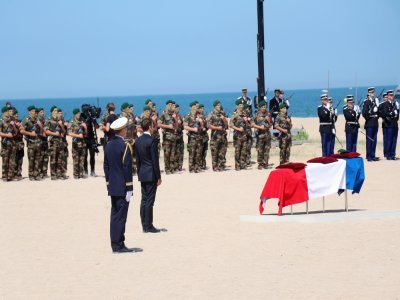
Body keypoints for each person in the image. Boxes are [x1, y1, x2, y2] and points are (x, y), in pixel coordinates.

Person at [104, 117, 142, 253]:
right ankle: (119, 244)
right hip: (122, 186)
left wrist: (108, 184)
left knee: (114, 216)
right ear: (122, 130)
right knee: (120, 216)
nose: (126, 131)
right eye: (125, 129)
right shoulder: (124, 146)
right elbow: (127, 168)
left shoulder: (108, 145)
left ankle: (115, 243)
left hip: (113, 185)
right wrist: (130, 188)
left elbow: (106, 166)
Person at [135, 118, 163, 233]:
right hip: (151, 173)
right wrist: (158, 176)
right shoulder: (152, 140)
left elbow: (138, 160)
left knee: (144, 200)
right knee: (150, 201)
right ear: (150, 127)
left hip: (142, 172)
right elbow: (154, 160)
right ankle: (148, 226)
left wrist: (139, 173)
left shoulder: (138, 140)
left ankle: (144, 224)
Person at [20, 105, 42, 180]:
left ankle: (37, 174)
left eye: (35, 111)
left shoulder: (37, 120)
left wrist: (40, 125)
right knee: (31, 160)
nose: (34, 112)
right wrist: (30, 134)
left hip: (38, 143)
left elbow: (42, 132)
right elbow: (22, 131)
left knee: (37, 160)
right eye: (32, 111)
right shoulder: (26, 120)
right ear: (29, 112)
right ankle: (31, 175)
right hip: (31, 143)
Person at [207, 100, 228, 171]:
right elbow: (208, 125)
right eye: (218, 105)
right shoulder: (211, 114)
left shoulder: (222, 114)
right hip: (215, 137)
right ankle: (215, 166)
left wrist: (224, 119)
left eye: (220, 105)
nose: (219, 106)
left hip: (222, 136)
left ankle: (221, 165)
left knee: (222, 151)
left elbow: (226, 125)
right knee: (214, 152)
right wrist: (217, 128)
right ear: (215, 106)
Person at [158, 100, 178, 174]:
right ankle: (167, 169)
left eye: (172, 105)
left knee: (173, 153)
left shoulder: (174, 114)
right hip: (167, 137)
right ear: (166, 105)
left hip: (173, 136)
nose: (171, 106)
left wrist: (175, 118)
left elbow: (177, 126)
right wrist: (168, 126)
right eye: (169, 104)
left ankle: (172, 168)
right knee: (167, 154)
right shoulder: (163, 114)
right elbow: (158, 124)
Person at [252, 100, 272, 169]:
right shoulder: (256, 114)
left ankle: (265, 163)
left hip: (267, 134)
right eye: (262, 107)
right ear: (260, 107)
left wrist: (269, 120)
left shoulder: (268, 114)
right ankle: (260, 163)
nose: (264, 108)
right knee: (260, 150)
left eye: (265, 106)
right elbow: (252, 124)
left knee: (267, 150)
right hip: (260, 134)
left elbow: (271, 125)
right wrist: (259, 127)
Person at [68, 108, 88, 179]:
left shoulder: (82, 122)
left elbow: (85, 135)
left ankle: (81, 174)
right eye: (77, 114)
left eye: (79, 113)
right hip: (76, 144)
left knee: (82, 159)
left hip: (82, 143)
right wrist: (77, 135)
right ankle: (76, 175)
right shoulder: (72, 122)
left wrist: (85, 128)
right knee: (76, 160)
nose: (79, 115)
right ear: (75, 114)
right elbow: (69, 133)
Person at [81, 104, 100, 177]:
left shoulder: (91, 117)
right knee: (85, 155)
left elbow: (97, 127)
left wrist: (94, 119)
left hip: (91, 138)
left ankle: (92, 171)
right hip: (84, 138)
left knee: (92, 155)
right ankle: (85, 171)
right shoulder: (81, 116)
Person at [362, 87, 380, 162]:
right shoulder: (366, 102)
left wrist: (378, 110)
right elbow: (364, 113)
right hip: (369, 123)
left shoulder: (375, 101)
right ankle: (369, 156)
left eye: (373, 92)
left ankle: (373, 155)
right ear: (369, 93)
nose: (372, 93)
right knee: (369, 140)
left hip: (375, 123)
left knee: (374, 140)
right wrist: (371, 112)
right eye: (371, 92)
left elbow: (378, 113)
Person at [229, 99, 248, 170]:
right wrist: (238, 129)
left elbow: (248, 125)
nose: (241, 106)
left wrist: (246, 121)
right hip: (237, 136)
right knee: (237, 151)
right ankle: (237, 165)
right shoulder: (235, 115)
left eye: (242, 105)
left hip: (244, 135)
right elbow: (230, 125)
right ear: (237, 106)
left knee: (244, 151)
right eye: (240, 105)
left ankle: (242, 164)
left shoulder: (244, 114)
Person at [184, 102, 203, 173]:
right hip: (192, 137)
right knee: (192, 153)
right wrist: (193, 129)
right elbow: (185, 126)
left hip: (199, 137)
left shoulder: (198, 116)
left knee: (198, 153)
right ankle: (191, 168)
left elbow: (202, 127)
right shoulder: (188, 116)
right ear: (190, 108)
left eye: (196, 107)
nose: (195, 108)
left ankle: (197, 167)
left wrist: (201, 122)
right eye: (193, 107)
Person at [380, 90, 399, 160]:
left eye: (392, 95)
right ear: (387, 96)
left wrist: (395, 115)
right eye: (390, 95)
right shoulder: (385, 104)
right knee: (389, 140)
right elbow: (385, 114)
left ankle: (392, 154)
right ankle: (388, 155)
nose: (392, 96)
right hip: (389, 125)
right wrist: (391, 115)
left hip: (395, 124)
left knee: (394, 140)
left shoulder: (394, 104)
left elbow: (397, 115)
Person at [0, 106, 17, 181]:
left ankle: (10, 176)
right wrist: (7, 135)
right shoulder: (1, 121)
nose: (9, 112)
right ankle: (4, 176)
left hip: (12, 143)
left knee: (12, 161)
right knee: (5, 161)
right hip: (5, 144)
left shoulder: (12, 121)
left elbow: (16, 133)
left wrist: (14, 125)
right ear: (4, 113)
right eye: (7, 111)